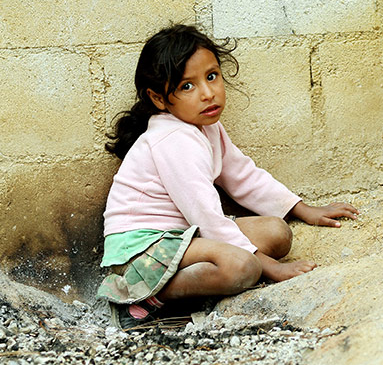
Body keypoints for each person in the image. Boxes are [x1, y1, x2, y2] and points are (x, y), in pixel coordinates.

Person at [97, 24, 359, 331]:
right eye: (187, 86)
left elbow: (243, 176)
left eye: (211, 76)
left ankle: (188, 288)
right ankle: (140, 297)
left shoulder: (206, 127)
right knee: (243, 266)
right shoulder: (172, 139)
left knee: (277, 232)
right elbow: (206, 215)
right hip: (142, 250)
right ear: (158, 98)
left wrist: (304, 210)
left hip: (181, 238)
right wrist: (271, 268)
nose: (208, 93)